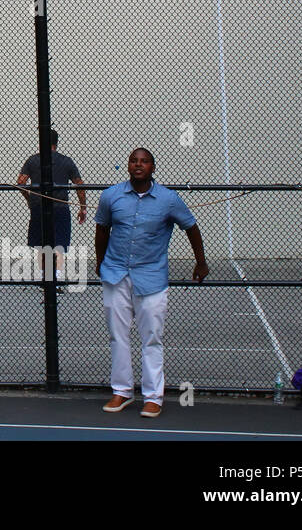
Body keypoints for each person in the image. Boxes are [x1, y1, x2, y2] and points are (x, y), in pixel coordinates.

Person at [94, 148, 209, 418]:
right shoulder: (111, 196)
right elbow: (101, 229)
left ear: (152, 167)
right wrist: (101, 263)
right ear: (128, 166)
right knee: (118, 336)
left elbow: (191, 227)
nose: (138, 165)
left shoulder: (168, 199)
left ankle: (153, 396)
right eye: (134, 161)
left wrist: (201, 262)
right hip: (116, 274)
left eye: (144, 161)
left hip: (152, 278)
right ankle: (121, 392)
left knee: (152, 338)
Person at [17, 130, 87, 277]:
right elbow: (79, 185)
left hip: (38, 207)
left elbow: (20, 182)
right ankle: (56, 279)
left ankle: (45, 279)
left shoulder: (33, 160)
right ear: (56, 142)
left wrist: (30, 199)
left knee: (42, 245)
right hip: (60, 207)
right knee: (59, 244)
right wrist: (83, 208)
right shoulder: (66, 161)